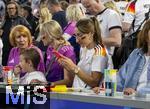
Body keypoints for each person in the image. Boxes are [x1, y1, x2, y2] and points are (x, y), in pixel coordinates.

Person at [57, 17, 108, 89]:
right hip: (78, 92)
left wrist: (74, 67)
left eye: (81, 36)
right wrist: (68, 67)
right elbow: (80, 76)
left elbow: (94, 82)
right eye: (76, 35)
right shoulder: (84, 48)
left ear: (91, 34)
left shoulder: (99, 51)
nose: (77, 41)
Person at [81, 0, 122, 68]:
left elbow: (117, 41)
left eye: (89, 6)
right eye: (85, 7)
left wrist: (92, 40)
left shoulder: (112, 15)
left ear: (97, 1)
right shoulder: (87, 16)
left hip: (105, 61)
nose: (87, 9)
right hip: (88, 59)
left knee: (108, 78)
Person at [117, 19, 150, 95]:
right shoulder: (136, 53)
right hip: (130, 101)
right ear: (145, 34)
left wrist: (137, 93)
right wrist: (104, 89)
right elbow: (120, 79)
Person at [40, 20, 76, 87]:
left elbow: (69, 81)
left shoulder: (67, 51)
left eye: (43, 34)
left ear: (51, 34)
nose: (41, 37)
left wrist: (50, 84)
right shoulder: (50, 48)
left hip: (62, 93)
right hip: (51, 89)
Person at [1, 1, 31, 66]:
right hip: (6, 48)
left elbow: (29, 30)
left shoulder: (21, 19)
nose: (11, 10)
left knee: (17, 66)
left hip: (18, 48)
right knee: (6, 67)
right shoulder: (5, 20)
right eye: (9, 9)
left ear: (16, 9)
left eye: (12, 8)